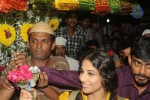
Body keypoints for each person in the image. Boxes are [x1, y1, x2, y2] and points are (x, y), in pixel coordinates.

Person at [38, 36, 150, 100]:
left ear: (106, 78)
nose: (142, 71)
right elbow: (66, 76)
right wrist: (32, 71)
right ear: (130, 60)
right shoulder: (119, 75)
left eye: (149, 65)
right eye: (138, 63)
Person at [0, 22, 70, 100]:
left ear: (53, 45)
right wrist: (18, 74)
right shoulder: (17, 63)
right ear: (28, 44)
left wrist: (43, 87)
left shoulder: (61, 63)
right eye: (34, 41)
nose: (39, 46)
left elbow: (68, 98)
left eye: (44, 41)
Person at [20, 50, 128, 100]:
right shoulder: (69, 98)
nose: (82, 78)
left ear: (106, 77)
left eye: (90, 73)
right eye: (81, 71)